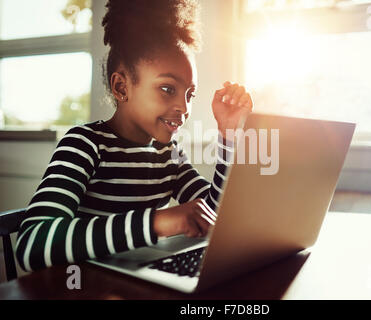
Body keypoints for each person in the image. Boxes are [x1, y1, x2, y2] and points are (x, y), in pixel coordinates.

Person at [15, 0, 253, 272]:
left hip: (136, 284)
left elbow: (215, 216)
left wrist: (229, 135)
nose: (184, 108)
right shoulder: (85, 145)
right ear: (121, 87)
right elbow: (31, 244)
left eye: (190, 94)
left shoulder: (169, 155)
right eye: (167, 88)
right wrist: (156, 222)